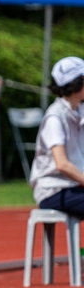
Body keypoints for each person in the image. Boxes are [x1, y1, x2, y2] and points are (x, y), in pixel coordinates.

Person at [30, 56, 84, 216]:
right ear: (77, 84)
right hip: (53, 191)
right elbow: (62, 164)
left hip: (74, 187)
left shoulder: (78, 112)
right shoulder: (55, 118)